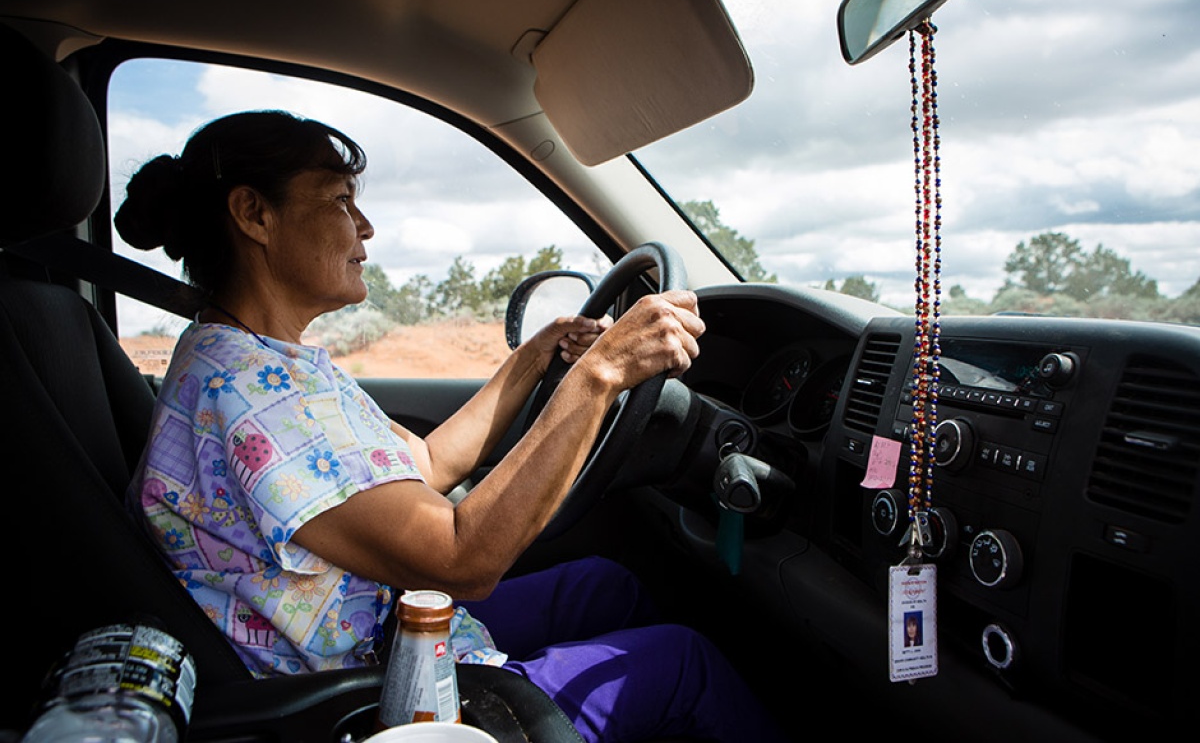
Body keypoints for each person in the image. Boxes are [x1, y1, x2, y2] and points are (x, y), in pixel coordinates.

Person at [118, 110, 789, 743]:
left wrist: (534, 359)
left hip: (389, 627)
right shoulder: (249, 393)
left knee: (603, 585)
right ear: (254, 214)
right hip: (381, 699)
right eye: (339, 200)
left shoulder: (269, 363)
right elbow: (462, 559)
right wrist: (600, 376)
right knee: (684, 662)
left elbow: (427, 464)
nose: (365, 226)